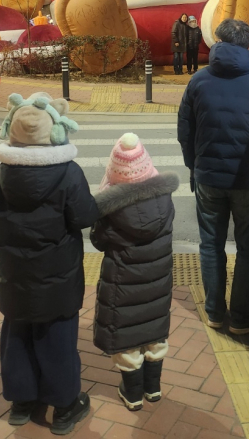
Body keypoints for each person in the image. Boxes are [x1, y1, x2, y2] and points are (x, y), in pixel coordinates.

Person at [0, 92, 98, 435]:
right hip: (58, 276)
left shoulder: (1, 174)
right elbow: (85, 216)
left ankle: (21, 403)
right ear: (54, 133)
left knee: (17, 333)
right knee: (57, 338)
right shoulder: (68, 173)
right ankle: (64, 409)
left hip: (14, 275)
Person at [178, 18, 249, 333]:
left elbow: (185, 131)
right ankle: (243, 317)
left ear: (217, 43)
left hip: (209, 177)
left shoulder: (198, 81)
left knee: (211, 244)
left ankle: (214, 312)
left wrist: (194, 166)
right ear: (248, 46)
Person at [91, 134, 179, 412]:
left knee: (127, 337)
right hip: (158, 281)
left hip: (123, 284)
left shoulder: (112, 209)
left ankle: (132, 394)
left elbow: (99, 240)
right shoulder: (164, 199)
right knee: (153, 329)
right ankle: (153, 388)